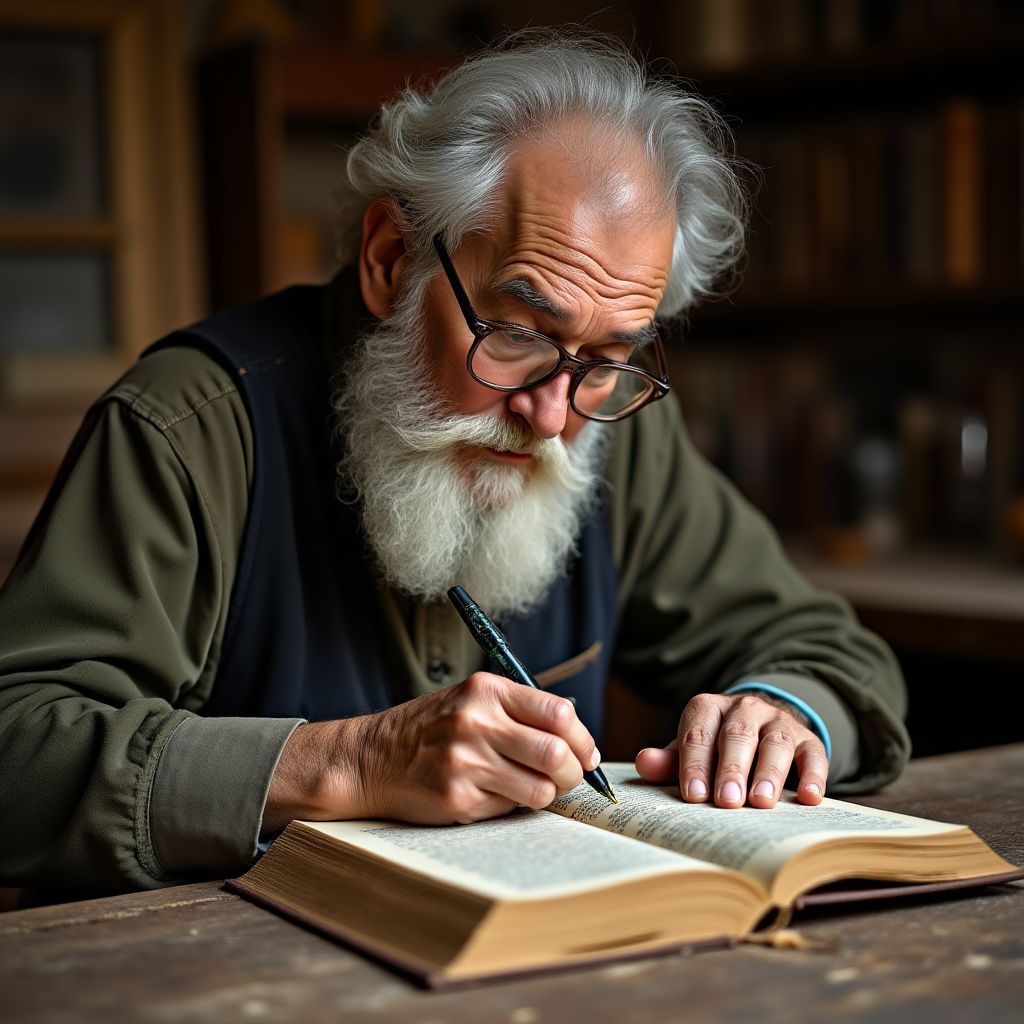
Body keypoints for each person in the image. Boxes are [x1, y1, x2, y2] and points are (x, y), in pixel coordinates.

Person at [0, 31, 910, 897]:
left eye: (605, 359)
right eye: (517, 332)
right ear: (392, 259)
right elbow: (17, 750)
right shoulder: (188, 425)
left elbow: (833, 654)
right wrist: (346, 762)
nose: (551, 417)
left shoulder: (607, 423)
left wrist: (779, 712)